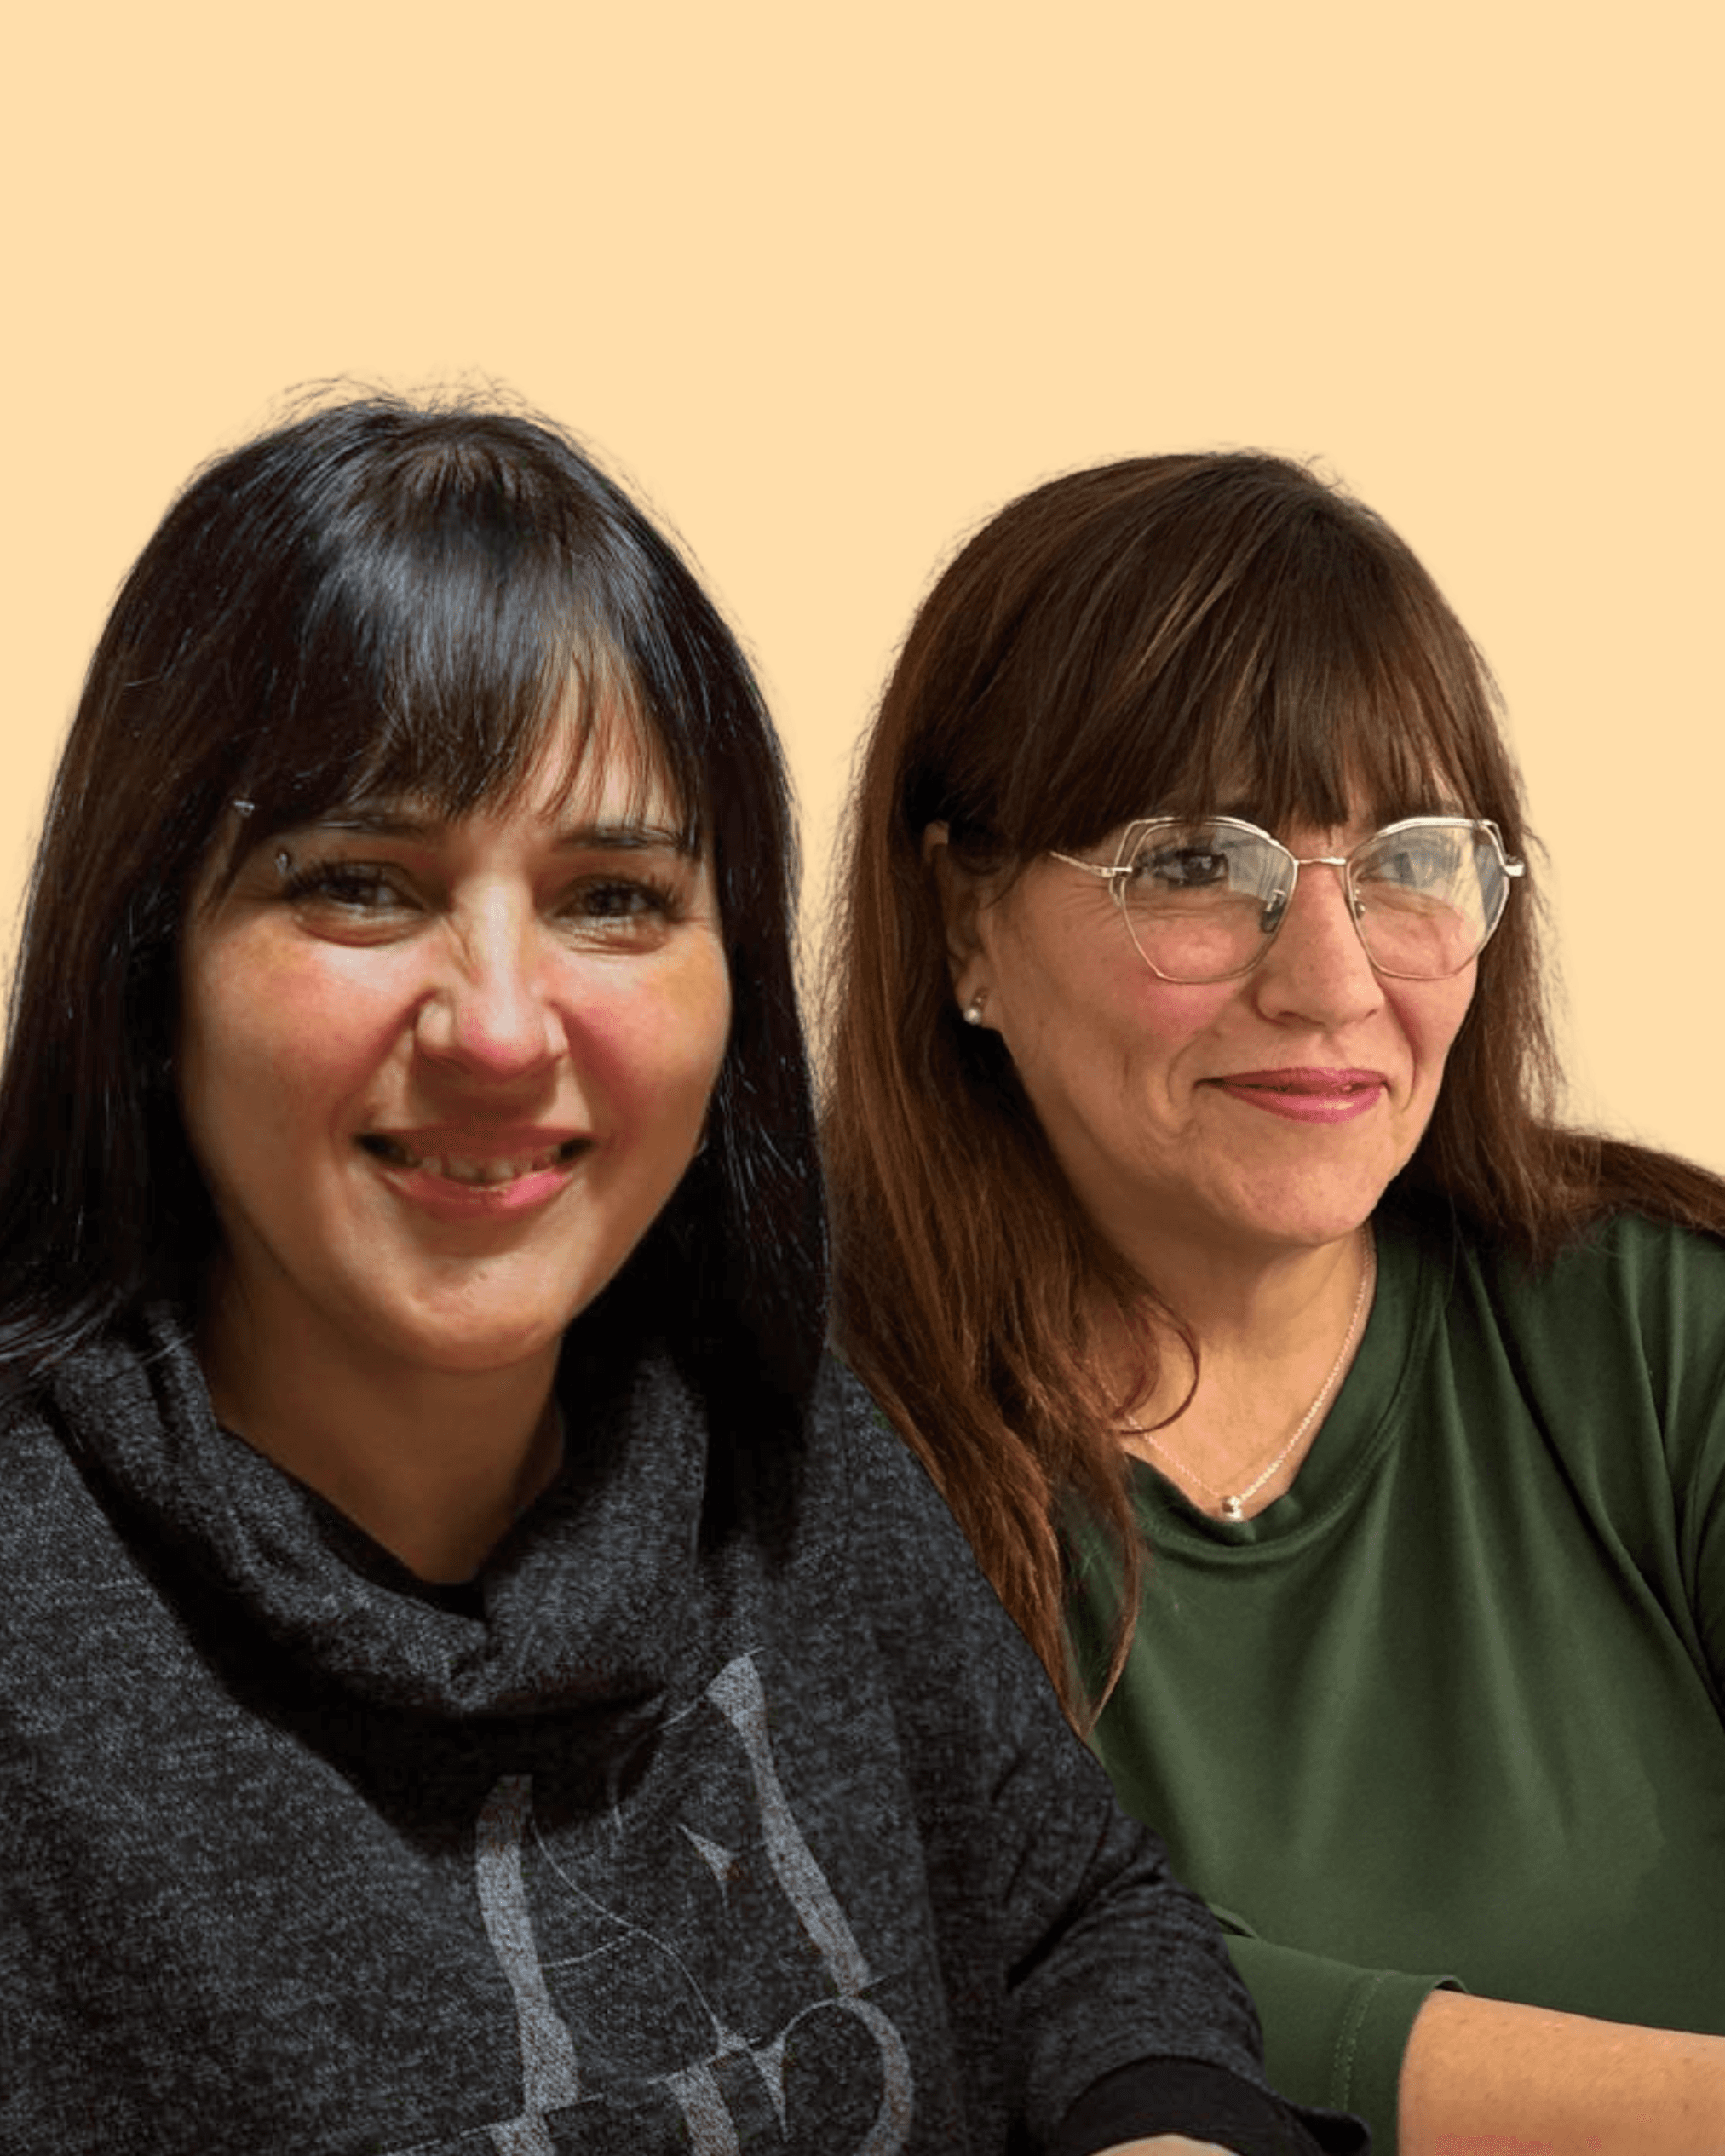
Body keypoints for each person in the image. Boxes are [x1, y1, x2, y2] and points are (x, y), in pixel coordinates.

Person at [0, 400, 1355, 2156]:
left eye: (616, 897)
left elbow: (1069, 1917)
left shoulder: (777, 1441)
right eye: (356, 883)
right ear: (145, 962)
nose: (498, 1024)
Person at [822, 451, 1725, 2156]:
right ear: (963, 925)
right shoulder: (779, 1440)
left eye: (1406, 860)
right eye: (1190, 863)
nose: (1327, 978)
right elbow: (1013, 1978)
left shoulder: (1661, 1333)